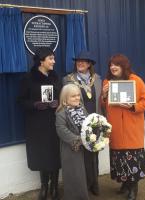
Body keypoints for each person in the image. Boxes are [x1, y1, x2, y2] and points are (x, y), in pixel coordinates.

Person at [100, 54, 145, 200]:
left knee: (132, 159)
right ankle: (124, 184)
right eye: (111, 64)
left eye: (116, 64)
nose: (113, 67)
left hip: (132, 128)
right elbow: (103, 105)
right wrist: (103, 95)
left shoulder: (136, 80)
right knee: (119, 159)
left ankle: (133, 188)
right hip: (115, 128)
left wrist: (133, 106)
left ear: (124, 66)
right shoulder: (107, 82)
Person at [18, 47, 61, 200]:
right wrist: (35, 105)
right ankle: (44, 186)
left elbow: (63, 98)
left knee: (55, 154)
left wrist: (58, 103)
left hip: (54, 122)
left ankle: (55, 187)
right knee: (42, 155)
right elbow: (21, 101)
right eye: (51, 58)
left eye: (54, 58)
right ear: (41, 60)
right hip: (36, 124)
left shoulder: (55, 77)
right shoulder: (28, 78)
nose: (54, 61)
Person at [63, 50, 102, 195]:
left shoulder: (97, 79)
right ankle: (83, 185)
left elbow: (100, 102)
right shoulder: (68, 80)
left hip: (95, 124)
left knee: (94, 155)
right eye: (78, 61)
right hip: (79, 124)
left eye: (84, 61)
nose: (80, 63)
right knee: (82, 158)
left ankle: (94, 183)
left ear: (90, 64)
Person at [56, 83, 89, 200]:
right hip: (70, 148)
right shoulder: (61, 112)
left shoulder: (81, 109)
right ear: (65, 98)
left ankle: (82, 196)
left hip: (84, 147)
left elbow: (89, 123)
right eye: (73, 96)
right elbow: (62, 130)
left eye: (78, 95)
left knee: (82, 174)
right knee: (73, 173)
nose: (77, 98)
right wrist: (79, 140)